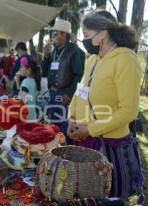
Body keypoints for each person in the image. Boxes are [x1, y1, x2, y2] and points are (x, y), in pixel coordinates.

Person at [68, 10, 144, 202]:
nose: (83, 40)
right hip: (84, 141)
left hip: (110, 145)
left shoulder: (125, 59)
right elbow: (80, 93)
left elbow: (128, 111)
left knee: (110, 197)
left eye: (86, 35)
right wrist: (71, 119)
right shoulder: (93, 60)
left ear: (102, 32)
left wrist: (90, 129)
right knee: (85, 195)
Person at [45, 19, 85, 139]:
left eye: (55, 33)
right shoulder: (54, 52)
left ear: (63, 34)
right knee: (53, 125)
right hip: (53, 92)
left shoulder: (75, 51)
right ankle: (53, 150)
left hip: (64, 94)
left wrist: (69, 93)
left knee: (63, 126)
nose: (53, 36)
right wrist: (46, 56)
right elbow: (45, 71)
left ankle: (64, 151)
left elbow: (79, 74)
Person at [16, 57, 41, 121]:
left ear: (29, 70)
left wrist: (17, 81)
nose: (20, 69)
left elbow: (21, 99)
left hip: (26, 117)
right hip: (33, 116)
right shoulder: (35, 81)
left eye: (22, 67)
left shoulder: (26, 82)